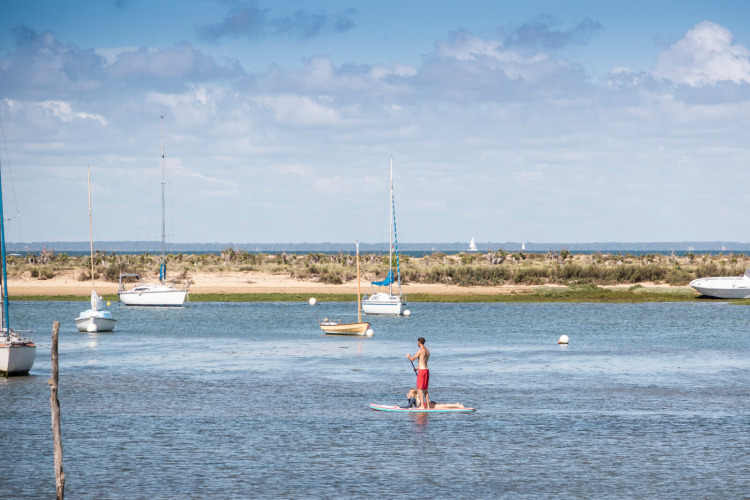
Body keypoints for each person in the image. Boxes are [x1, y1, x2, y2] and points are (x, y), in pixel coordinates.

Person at [407, 337, 430, 408]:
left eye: (417, 342)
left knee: (419, 389)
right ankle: (428, 406)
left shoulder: (420, 351)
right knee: (425, 390)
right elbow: (423, 362)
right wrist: (417, 368)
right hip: (426, 370)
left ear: (419, 343)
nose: (417, 343)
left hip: (422, 372)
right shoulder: (427, 351)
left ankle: (422, 406)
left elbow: (412, 359)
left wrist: (409, 356)